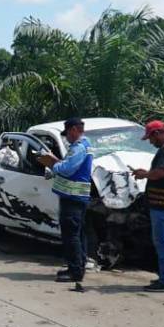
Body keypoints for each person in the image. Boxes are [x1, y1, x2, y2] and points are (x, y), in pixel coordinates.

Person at [39, 118, 93, 283]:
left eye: (69, 133)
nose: (67, 137)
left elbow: (68, 169)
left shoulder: (79, 148)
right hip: (76, 196)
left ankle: (75, 271)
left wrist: (53, 164)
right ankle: (77, 266)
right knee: (77, 234)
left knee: (71, 236)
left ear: (75, 130)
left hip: (73, 197)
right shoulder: (84, 145)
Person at [133, 120, 164, 292]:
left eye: (150, 138)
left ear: (157, 133)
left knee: (163, 243)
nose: (150, 142)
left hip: (162, 205)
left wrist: (144, 174)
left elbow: (160, 172)